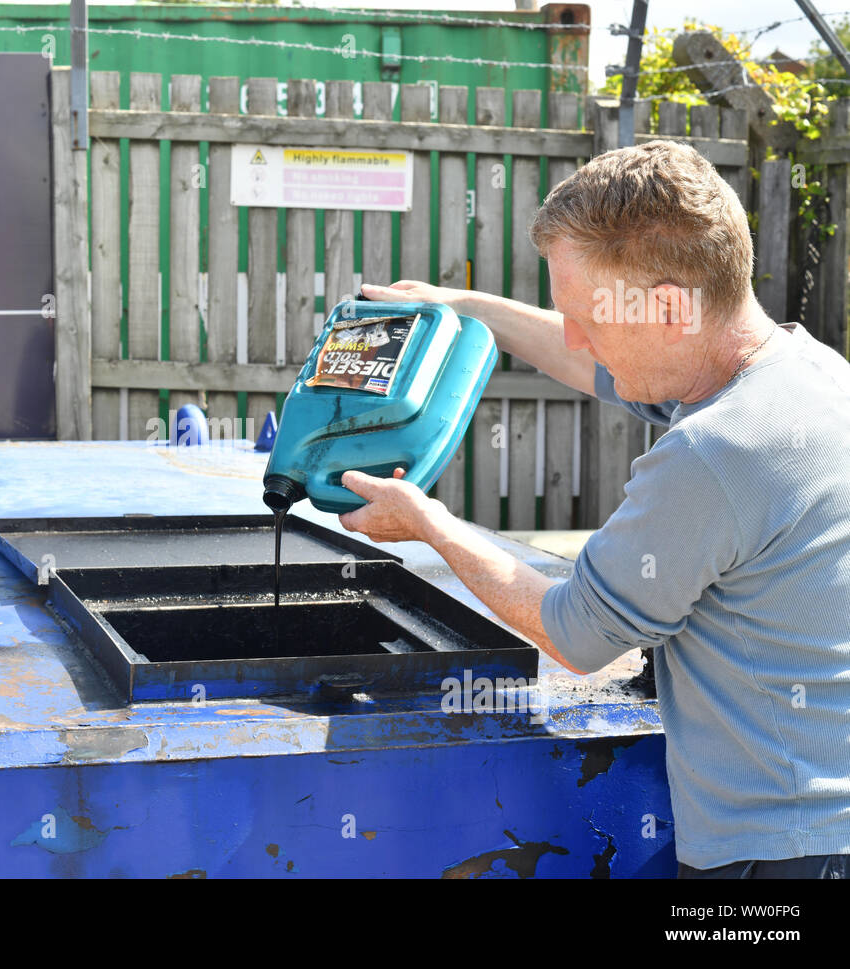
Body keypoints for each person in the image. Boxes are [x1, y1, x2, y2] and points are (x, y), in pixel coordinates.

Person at [344, 140, 850, 879]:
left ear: (672, 308)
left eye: (591, 315)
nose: (578, 337)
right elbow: (596, 360)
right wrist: (461, 306)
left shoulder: (711, 455)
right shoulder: (809, 371)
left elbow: (573, 631)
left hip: (771, 864)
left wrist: (427, 521)